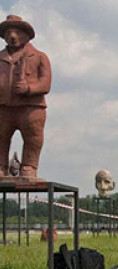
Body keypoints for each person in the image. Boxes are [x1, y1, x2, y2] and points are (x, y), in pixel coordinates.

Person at [0, 15, 51, 177]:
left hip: (31, 108)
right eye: (8, 32)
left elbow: (45, 83)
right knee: (0, 137)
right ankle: (1, 165)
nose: (12, 36)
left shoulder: (39, 57)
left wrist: (28, 88)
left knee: (32, 138)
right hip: (3, 107)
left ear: (26, 35)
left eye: (17, 32)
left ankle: (29, 166)